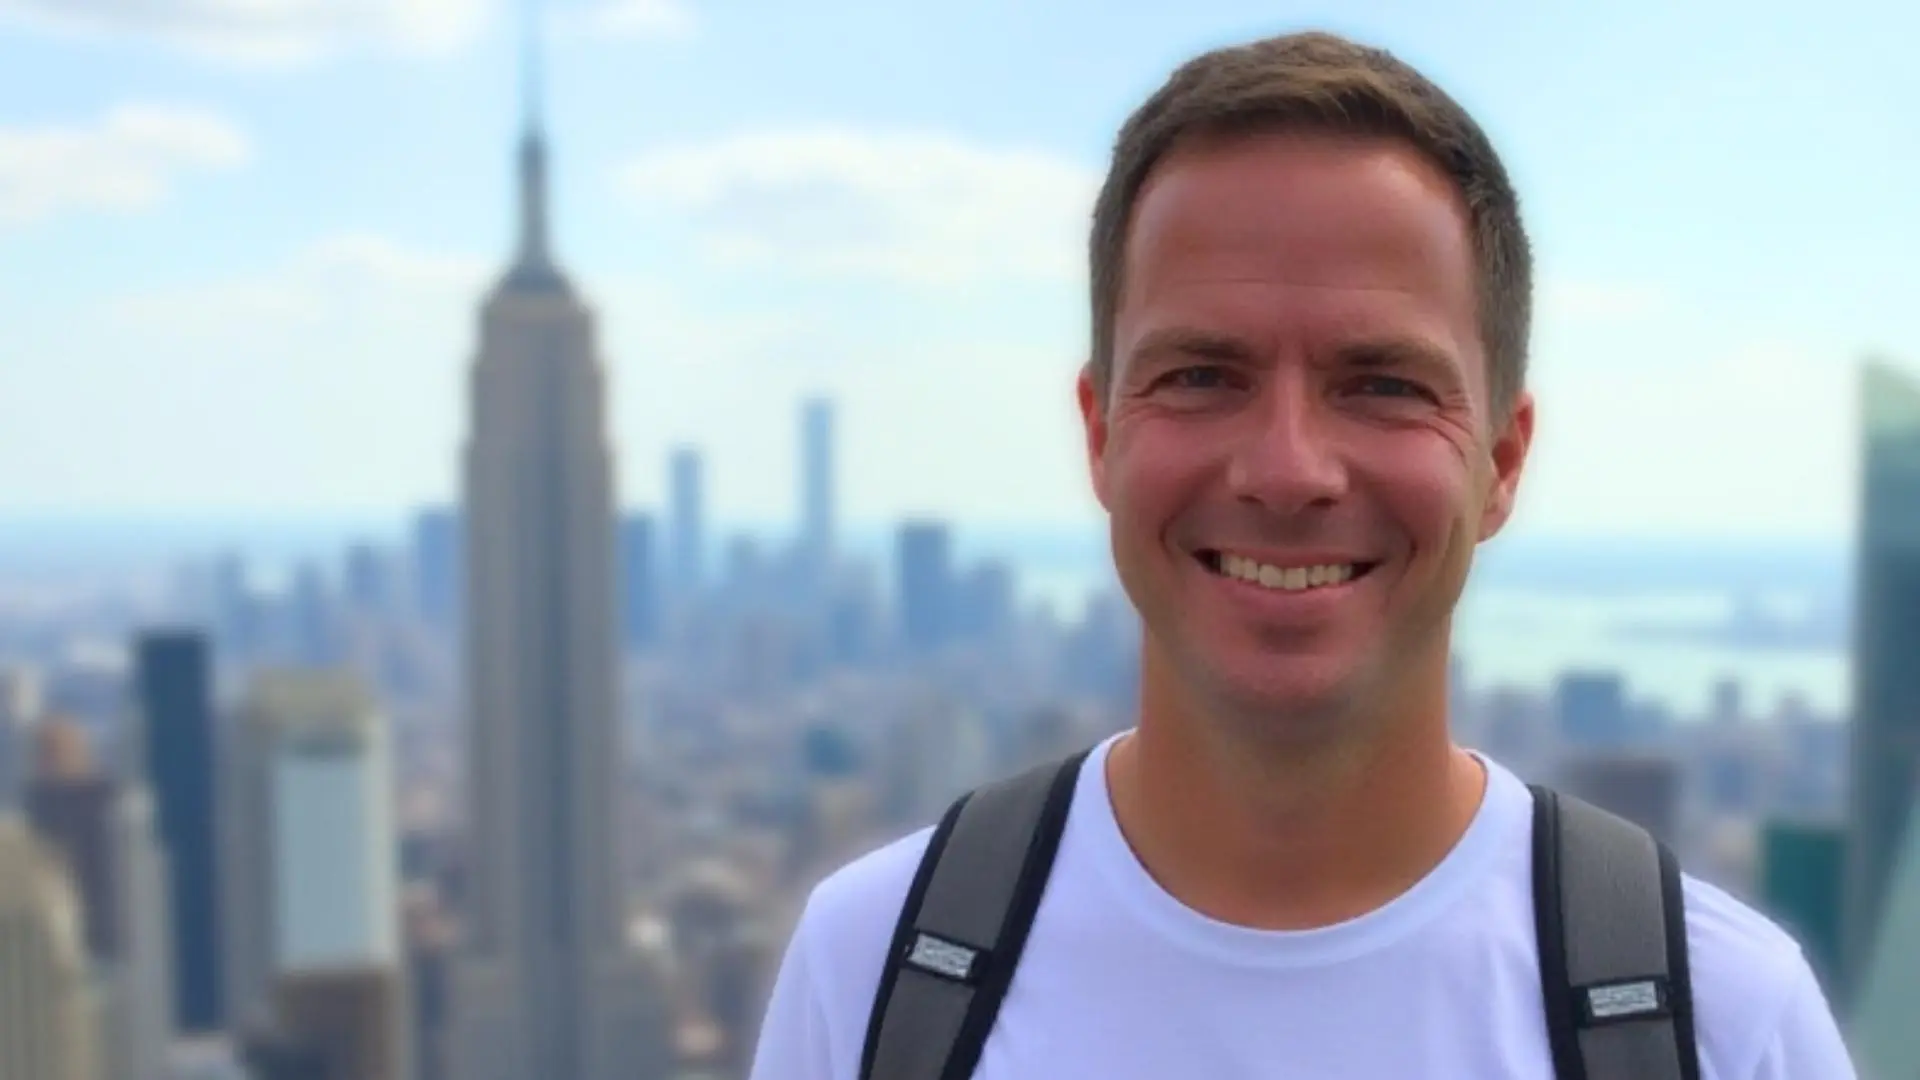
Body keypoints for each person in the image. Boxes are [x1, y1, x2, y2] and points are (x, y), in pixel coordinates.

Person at [746, 30, 1857, 1080]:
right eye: (1201, 376)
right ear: (1100, 434)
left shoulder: (1721, 1019)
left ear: (1502, 462)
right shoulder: (878, 971)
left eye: (1382, 384)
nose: (1287, 468)